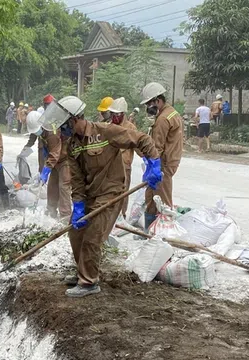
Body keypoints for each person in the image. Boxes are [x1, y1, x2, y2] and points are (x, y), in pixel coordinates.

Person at [42, 96, 161, 297]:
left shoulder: (105, 132)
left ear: (73, 120)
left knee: (93, 235)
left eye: (63, 126)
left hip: (111, 192)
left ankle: (89, 282)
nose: (61, 131)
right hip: (90, 194)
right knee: (75, 231)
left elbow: (141, 139)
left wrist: (154, 162)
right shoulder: (72, 145)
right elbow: (77, 179)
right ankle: (83, 271)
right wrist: (78, 204)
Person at [140, 82, 184, 231]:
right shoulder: (172, 112)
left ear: (157, 101)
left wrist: (153, 166)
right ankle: (149, 229)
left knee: (162, 199)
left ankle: (164, 232)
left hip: (163, 164)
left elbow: (157, 148)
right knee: (151, 196)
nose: (148, 108)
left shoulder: (163, 120)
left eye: (149, 104)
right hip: (169, 160)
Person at [25, 110, 71, 219]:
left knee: (63, 187)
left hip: (65, 160)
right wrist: (44, 168)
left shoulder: (52, 131)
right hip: (54, 162)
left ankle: (65, 217)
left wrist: (46, 171)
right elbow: (49, 152)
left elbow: (55, 153)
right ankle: (51, 213)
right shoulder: (43, 132)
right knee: (52, 187)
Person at [108, 97, 143, 218]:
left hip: (124, 166)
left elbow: (138, 145)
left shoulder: (130, 128)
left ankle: (121, 216)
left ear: (123, 114)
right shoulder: (108, 127)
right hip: (109, 166)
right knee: (110, 193)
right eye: (112, 114)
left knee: (123, 193)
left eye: (117, 114)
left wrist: (147, 158)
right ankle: (109, 216)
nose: (114, 116)